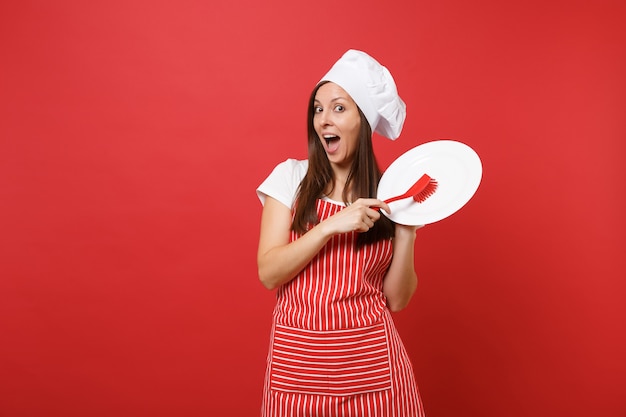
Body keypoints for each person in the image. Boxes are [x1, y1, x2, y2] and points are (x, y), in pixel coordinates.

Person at [256, 49, 425, 417]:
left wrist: (407, 231)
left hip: (374, 375)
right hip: (298, 375)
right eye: (318, 109)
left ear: (362, 121)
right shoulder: (290, 179)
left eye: (338, 108)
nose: (323, 120)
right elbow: (269, 273)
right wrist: (331, 225)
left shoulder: (388, 194)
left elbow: (396, 300)